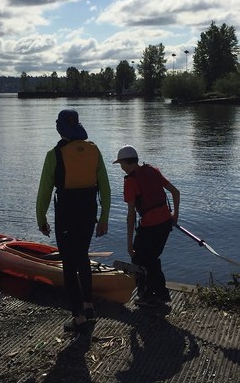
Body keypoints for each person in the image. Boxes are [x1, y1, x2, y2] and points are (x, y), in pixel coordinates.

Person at [36, 109, 111, 333]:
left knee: (70, 264)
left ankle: (78, 317)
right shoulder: (94, 150)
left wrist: (41, 218)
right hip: (88, 212)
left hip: (67, 214)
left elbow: (44, 191)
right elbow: (105, 187)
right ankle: (88, 305)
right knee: (83, 256)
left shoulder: (54, 154)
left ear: (60, 128)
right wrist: (104, 218)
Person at [113, 145, 180, 306]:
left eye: (121, 164)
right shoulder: (153, 171)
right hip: (165, 223)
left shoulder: (131, 180)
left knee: (138, 259)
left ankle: (147, 295)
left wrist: (129, 243)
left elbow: (131, 215)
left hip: (151, 226)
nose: (121, 168)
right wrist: (175, 216)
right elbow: (175, 192)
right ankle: (161, 294)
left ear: (125, 162)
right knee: (152, 258)